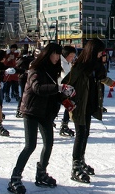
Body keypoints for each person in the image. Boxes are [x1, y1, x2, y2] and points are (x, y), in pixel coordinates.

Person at [8, 43, 73, 193]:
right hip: (31, 110)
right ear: (47, 54)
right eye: (55, 54)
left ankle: (41, 173)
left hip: (45, 112)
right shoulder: (34, 69)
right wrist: (58, 88)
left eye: (59, 55)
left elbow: (54, 94)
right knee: (30, 146)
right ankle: (15, 178)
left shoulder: (54, 71)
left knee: (49, 144)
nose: (57, 58)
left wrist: (66, 100)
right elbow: (37, 88)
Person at [61, 38, 115, 183]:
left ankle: (81, 161)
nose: (101, 54)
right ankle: (75, 166)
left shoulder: (95, 66)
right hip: (79, 106)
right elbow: (65, 84)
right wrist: (69, 104)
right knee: (80, 135)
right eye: (99, 51)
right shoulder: (80, 67)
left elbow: (101, 78)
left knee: (85, 133)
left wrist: (111, 83)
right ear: (92, 52)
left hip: (90, 106)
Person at [59, 45, 76, 136]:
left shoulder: (67, 62)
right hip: (59, 90)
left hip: (65, 89)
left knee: (69, 105)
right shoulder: (62, 63)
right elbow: (65, 77)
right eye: (71, 56)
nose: (72, 58)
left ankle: (64, 125)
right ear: (66, 55)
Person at [15, 49, 34, 118]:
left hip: (23, 78)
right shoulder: (26, 59)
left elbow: (16, 65)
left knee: (25, 94)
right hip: (25, 78)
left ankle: (21, 109)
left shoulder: (21, 59)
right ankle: (20, 109)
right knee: (25, 94)